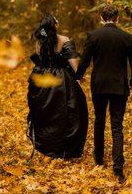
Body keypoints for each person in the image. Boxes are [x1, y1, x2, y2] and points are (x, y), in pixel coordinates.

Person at [75, 4, 132, 182]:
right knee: (117, 126)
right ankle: (118, 167)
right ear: (118, 18)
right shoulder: (126, 37)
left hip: (100, 85)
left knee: (99, 121)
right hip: (119, 86)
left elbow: (84, 61)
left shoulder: (94, 36)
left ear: (102, 18)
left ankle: (98, 159)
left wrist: (77, 77)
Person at [26, 13, 88, 159]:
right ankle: (66, 149)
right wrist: (79, 78)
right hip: (62, 81)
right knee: (68, 113)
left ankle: (49, 148)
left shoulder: (40, 41)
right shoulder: (65, 40)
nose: (58, 20)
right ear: (55, 24)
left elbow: (40, 60)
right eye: (56, 20)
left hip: (43, 79)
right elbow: (73, 63)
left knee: (47, 113)